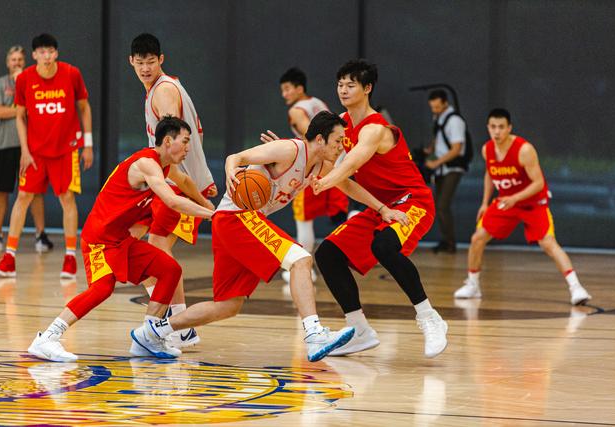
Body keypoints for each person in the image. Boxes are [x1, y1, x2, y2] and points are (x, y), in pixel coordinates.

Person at [141, 112, 399, 362]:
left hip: (232, 224)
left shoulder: (320, 165)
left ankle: (153, 332)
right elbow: (236, 157)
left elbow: (348, 184)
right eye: (338, 140)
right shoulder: (289, 150)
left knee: (227, 306)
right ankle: (314, 333)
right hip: (236, 217)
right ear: (320, 139)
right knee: (301, 259)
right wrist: (231, 172)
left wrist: (382, 208)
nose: (341, 146)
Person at [27, 117, 215, 362]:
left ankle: (148, 337)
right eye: (186, 141)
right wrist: (212, 215)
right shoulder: (147, 164)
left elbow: (186, 183)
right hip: (98, 239)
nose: (189, 147)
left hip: (120, 239)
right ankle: (47, 338)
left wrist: (205, 202)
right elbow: (172, 201)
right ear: (168, 141)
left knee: (170, 270)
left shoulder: (165, 167)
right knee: (102, 288)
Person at [311, 59, 448, 358]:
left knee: (384, 246)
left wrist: (325, 180)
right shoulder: (339, 124)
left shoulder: (376, 128)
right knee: (327, 254)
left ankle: (429, 317)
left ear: (367, 88)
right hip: (381, 206)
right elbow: (323, 160)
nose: (343, 90)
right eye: (340, 84)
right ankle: (358, 329)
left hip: (413, 201)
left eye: (351, 85)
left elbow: (350, 164)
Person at [128, 33, 216, 350]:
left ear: (161, 60)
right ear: (131, 62)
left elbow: (175, 141)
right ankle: (177, 321)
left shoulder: (164, 91)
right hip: (176, 179)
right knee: (138, 245)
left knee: (156, 249)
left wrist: (190, 183)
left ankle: (179, 323)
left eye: (151, 62)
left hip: (176, 181)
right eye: (140, 62)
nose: (145, 68)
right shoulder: (164, 87)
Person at [454, 108, 592, 305]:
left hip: (532, 203)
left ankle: (576, 288)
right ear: (488, 127)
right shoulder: (487, 149)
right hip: (506, 202)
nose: (497, 131)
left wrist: (515, 198)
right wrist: (485, 203)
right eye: (493, 127)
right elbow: (489, 174)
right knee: (477, 238)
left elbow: (539, 183)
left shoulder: (524, 150)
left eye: (501, 127)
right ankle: (473, 284)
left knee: (548, 243)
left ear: (509, 128)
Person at [0, 34, 92, 278]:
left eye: (50, 51)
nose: (46, 56)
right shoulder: (25, 79)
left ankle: (70, 257)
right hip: (36, 151)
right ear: (34, 55)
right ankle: (9, 258)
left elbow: (84, 107)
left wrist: (88, 144)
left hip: (66, 149)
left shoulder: (71, 74)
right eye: (42, 52)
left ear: (56, 53)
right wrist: (25, 150)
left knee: (67, 198)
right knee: (23, 197)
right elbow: (20, 116)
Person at [275, 67, 348, 282]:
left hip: (315, 167)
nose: (284, 94)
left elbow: (316, 138)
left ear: (299, 88)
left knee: (303, 218)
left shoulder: (297, 111)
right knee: (339, 213)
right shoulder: (318, 103)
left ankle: (304, 268)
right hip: (338, 164)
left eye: (287, 89)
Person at [0, 45, 52, 253]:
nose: (16, 63)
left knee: (35, 191)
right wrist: (21, 110)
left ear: (25, 62)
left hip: (30, 148)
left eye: (20, 60)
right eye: (13, 59)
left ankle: (41, 235)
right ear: (8, 63)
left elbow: (37, 110)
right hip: (5, 145)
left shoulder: (33, 83)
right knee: (1, 190)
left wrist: (23, 96)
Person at [425, 90, 467, 254]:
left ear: (445, 103)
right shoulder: (439, 118)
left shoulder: (454, 121)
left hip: (452, 167)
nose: (434, 110)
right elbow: (439, 137)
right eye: (432, 107)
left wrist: (436, 162)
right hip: (442, 168)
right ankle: (445, 240)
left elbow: (457, 148)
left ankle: (450, 242)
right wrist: (430, 150)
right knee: (439, 206)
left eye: (437, 107)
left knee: (442, 205)